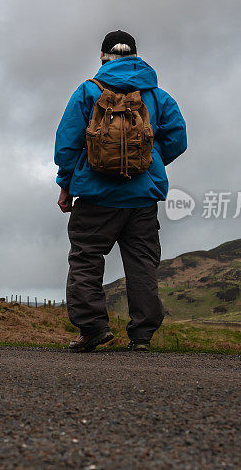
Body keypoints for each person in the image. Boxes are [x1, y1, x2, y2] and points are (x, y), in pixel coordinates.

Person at [54, 30, 187, 352]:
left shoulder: (88, 91)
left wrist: (65, 185)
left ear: (102, 56)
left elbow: (68, 143)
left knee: (86, 259)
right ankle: (141, 335)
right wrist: (149, 163)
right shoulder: (157, 96)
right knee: (141, 263)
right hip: (141, 198)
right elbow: (177, 140)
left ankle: (94, 328)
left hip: (96, 196)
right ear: (136, 56)